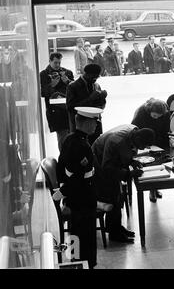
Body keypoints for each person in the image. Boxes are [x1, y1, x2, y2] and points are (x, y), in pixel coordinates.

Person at [53, 107, 103, 268]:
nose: (96, 125)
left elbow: (61, 168)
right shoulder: (83, 146)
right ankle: (86, 264)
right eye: (94, 122)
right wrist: (63, 192)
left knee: (75, 233)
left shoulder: (68, 139)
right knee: (86, 235)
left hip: (74, 197)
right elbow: (79, 177)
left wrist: (63, 190)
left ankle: (75, 261)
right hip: (83, 197)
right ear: (87, 123)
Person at [93, 125, 155, 243]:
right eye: (143, 145)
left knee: (118, 196)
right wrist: (128, 174)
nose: (142, 149)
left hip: (106, 160)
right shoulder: (117, 142)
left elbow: (125, 152)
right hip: (97, 164)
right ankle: (114, 233)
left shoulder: (134, 132)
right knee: (113, 195)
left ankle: (116, 227)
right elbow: (107, 168)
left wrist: (132, 161)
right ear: (138, 139)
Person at [131, 99, 170, 202]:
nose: (157, 118)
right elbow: (134, 130)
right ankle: (151, 189)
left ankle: (155, 188)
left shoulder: (165, 113)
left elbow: (166, 129)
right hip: (144, 141)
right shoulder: (141, 113)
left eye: (159, 116)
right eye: (154, 116)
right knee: (149, 165)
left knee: (159, 163)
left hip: (158, 141)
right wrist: (144, 143)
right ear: (149, 112)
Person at [40, 52, 74, 151]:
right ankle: (65, 159)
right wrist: (52, 85)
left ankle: (70, 159)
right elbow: (42, 93)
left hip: (68, 109)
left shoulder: (67, 72)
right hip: (55, 111)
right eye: (55, 63)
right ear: (50, 61)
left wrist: (67, 81)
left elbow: (76, 89)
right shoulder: (43, 75)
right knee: (62, 136)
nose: (58, 65)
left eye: (59, 62)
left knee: (71, 135)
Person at [66, 64, 107, 145]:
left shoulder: (96, 85)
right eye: (93, 77)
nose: (95, 79)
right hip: (80, 128)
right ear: (86, 74)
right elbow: (70, 108)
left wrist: (103, 99)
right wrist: (90, 98)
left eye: (97, 77)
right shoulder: (73, 86)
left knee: (95, 152)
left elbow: (100, 107)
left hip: (95, 127)